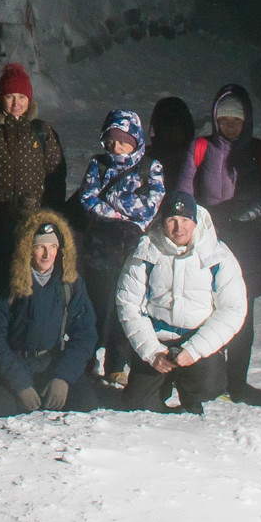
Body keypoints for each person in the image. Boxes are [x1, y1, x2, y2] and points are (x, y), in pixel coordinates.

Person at [112, 195, 247, 414]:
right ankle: (162, 382)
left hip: (196, 338)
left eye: (185, 220)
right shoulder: (145, 252)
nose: (179, 228)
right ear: (162, 221)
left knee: (209, 387)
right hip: (158, 339)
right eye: (172, 220)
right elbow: (128, 304)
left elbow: (233, 309)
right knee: (137, 403)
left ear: (196, 221)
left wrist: (194, 350)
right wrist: (152, 352)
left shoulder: (218, 256)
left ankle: (190, 389)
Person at [187, 84, 261, 399]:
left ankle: (237, 382)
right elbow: (185, 190)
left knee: (242, 317)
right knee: (208, 313)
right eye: (223, 119)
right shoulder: (201, 148)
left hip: (250, 250)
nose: (229, 125)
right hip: (210, 245)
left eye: (236, 120)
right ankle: (211, 382)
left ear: (247, 120)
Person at [77, 109, 165, 386]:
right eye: (111, 140)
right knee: (96, 308)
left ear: (136, 140)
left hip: (133, 253)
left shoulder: (150, 168)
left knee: (125, 307)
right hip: (99, 251)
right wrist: (120, 213)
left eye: (123, 140)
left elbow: (151, 206)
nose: (116, 147)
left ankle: (117, 363)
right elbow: (88, 200)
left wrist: (114, 198)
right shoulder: (98, 165)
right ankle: (86, 361)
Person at [0, 207, 97, 413]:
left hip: (53, 363)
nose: (47, 254)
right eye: (39, 247)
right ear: (28, 248)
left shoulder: (69, 282)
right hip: (15, 365)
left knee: (85, 404)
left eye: (52, 247)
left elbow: (85, 333)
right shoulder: (7, 282)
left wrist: (63, 377)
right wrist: (21, 384)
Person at [0, 63, 66, 290]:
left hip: (32, 222)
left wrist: (51, 215)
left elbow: (56, 176)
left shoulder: (43, 132)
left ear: (29, 99)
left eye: (21, 97)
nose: (15, 104)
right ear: (0, 98)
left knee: (29, 285)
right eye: (10, 96)